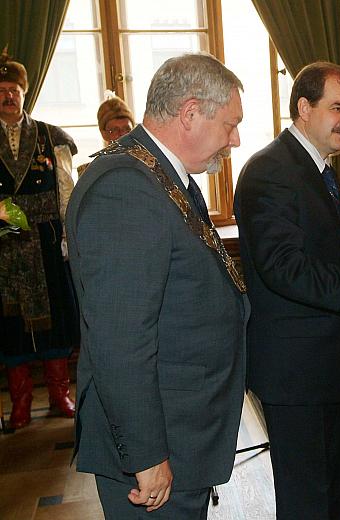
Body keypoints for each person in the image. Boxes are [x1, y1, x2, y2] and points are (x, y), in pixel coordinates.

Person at [66, 53, 247, 518]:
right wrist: (146, 456)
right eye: (229, 125)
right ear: (189, 113)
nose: (235, 139)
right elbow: (120, 340)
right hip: (155, 450)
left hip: (182, 432)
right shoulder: (125, 188)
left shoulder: (162, 174)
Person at [234, 61, 340, 520]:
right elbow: (284, 268)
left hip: (323, 364)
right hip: (294, 371)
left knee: (333, 495)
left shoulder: (316, 166)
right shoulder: (269, 170)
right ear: (304, 107)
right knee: (307, 501)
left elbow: (317, 249)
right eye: (337, 108)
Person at [0, 51, 79, 430]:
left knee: (56, 323)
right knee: (11, 328)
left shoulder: (51, 136)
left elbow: (66, 188)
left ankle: (60, 394)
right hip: (4, 244)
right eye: (0, 90)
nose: (7, 97)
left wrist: (68, 236)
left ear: (24, 92)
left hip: (47, 241)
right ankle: (20, 402)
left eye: (13, 90)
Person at [77, 92, 136, 177]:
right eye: (115, 130)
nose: (123, 134)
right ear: (103, 133)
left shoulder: (148, 166)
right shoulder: (89, 173)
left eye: (127, 129)